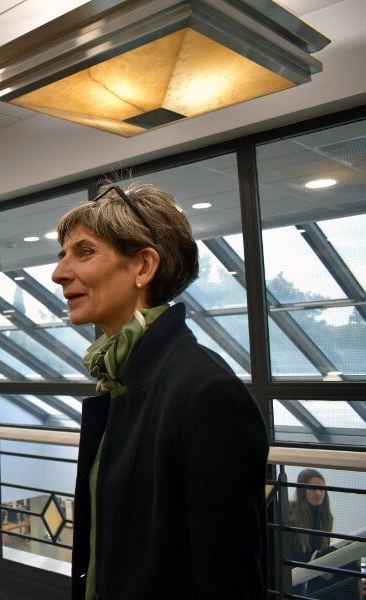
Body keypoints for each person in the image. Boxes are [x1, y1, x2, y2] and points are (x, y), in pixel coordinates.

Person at [51, 182, 269, 600]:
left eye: (84, 252)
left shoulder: (207, 393)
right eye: (63, 254)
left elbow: (230, 581)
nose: (59, 272)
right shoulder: (119, 378)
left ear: (143, 267)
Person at [288, 469, 338, 597]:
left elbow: (323, 549)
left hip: (318, 572)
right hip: (297, 574)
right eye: (313, 489)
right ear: (303, 491)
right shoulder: (290, 513)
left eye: (321, 489)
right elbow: (292, 554)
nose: (318, 493)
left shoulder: (326, 517)